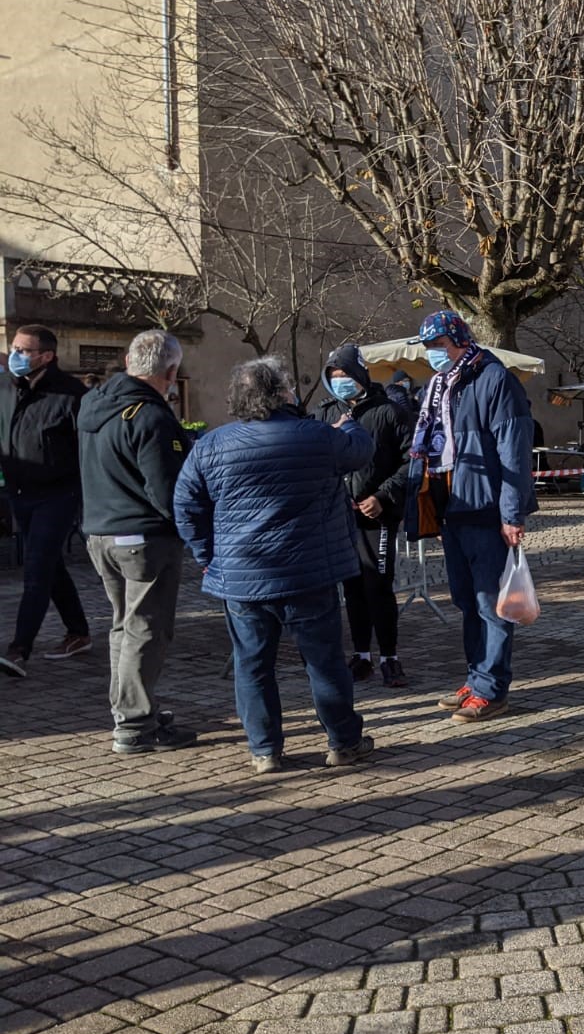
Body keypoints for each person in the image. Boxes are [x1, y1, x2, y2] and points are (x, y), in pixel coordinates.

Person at [173, 357, 376, 774]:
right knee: (323, 662)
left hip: (243, 577)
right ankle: (344, 741)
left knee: (252, 665)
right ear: (283, 394)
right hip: (309, 572)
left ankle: (265, 750)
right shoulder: (317, 435)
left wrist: (208, 557)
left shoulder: (211, 444)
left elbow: (185, 506)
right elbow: (360, 451)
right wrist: (349, 424)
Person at [402, 310, 536, 723]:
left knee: (490, 603)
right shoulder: (440, 386)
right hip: (452, 511)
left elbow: (513, 453)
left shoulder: (494, 379)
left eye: (438, 346)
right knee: (466, 601)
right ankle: (476, 676)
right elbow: (435, 454)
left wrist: (511, 515)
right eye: (428, 348)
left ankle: (492, 689)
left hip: (485, 510)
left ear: (459, 340)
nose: (432, 355)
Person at [77, 330, 194, 754]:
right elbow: (168, 491)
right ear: (170, 371)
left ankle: (131, 709)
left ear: (129, 362)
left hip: (100, 533)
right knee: (145, 630)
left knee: (124, 627)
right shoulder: (150, 416)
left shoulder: (93, 404)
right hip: (143, 539)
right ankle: (134, 724)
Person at [315, 343, 414, 687]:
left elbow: (410, 462)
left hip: (377, 515)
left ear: (359, 374)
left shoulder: (390, 412)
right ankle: (361, 656)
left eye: (345, 375)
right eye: (334, 376)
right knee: (352, 587)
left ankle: (390, 656)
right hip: (339, 516)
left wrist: (384, 496)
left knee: (378, 586)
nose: (340, 381)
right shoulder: (326, 413)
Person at [0, 325, 91, 678]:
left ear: (46, 356)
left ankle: (19, 649)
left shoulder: (71, 395)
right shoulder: (6, 390)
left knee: (37, 568)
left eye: (24, 350)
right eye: (13, 348)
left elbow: (86, 450)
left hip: (59, 495)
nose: (16, 355)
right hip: (20, 494)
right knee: (51, 566)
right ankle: (78, 632)